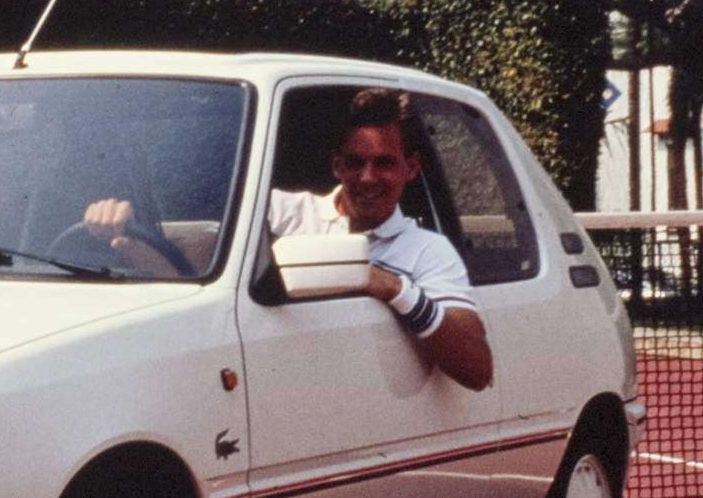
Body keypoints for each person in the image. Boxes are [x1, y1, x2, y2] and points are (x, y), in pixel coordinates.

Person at [84, 86, 493, 391]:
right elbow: (196, 269)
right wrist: (123, 238)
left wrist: (396, 289)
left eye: (384, 163)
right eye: (355, 162)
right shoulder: (278, 212)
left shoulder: (427, 251)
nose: (368, 177)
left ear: (410, 168)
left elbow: (477, 369)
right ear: (336, 166)